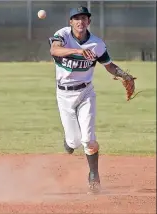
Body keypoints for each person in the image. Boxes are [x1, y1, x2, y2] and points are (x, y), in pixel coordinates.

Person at [48, 6, 135, 194]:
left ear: (89, 22)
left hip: (86, 93)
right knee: (74, 143)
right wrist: (79, 52)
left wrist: (124, 75)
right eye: (76, 18)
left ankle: (94, 176)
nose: (80, 21)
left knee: (89, 139)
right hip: (63, 95)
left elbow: (108, 65)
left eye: (84, 18)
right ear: (70, 22)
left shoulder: (97, 44)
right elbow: (55, 51)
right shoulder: (62, 34)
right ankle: (70, 141)